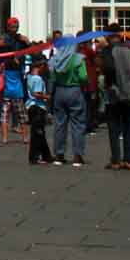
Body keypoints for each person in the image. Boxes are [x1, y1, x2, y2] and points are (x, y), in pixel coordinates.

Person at [101, 28, 130, 169]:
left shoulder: (108, 50)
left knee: (114, 127)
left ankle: (116, 160)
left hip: (115, 93)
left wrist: (109, 82)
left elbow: (109, 68)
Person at [49, 35, 89, 166]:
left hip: (59, 91)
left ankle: (59, 154)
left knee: (60, 123)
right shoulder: (78, 59)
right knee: (78, 123)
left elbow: (52, 77)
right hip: (75, 90)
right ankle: (77, 155)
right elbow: (83, 77)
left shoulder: (56, 58)